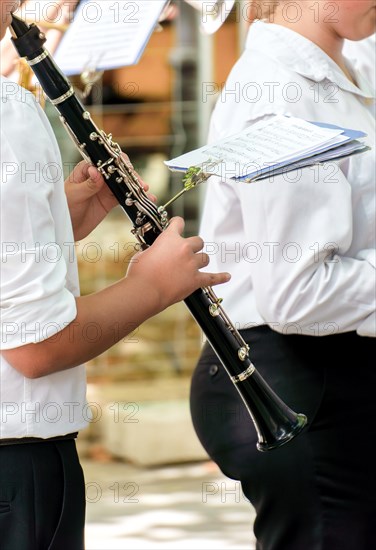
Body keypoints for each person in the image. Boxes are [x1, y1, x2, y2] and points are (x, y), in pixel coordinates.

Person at [0, 1, 231, 548]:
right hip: (16, 467)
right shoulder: (8, 118)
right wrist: (153, 286)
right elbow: (36, 348)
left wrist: (57, 221)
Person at [190, 1, 376, 549]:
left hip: (334, 367)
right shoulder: (277, 92)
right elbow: (299, 294)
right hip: (292, 378)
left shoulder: (346, 59)